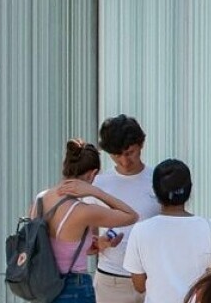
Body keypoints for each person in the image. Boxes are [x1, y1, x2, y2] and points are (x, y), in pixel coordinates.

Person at [34, 139, 139, 303]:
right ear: (92, 174)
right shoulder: (81, 210)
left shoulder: (40, 199)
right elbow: (131, 216)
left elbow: (59, 246)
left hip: (42, 286)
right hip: (72, 287)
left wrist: (100, 244)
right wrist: (96, 192)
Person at [123, 159, 211, 303]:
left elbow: (139, 285)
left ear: (155, 191)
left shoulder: (141, 230)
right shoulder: (210, 227)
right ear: (190, 189)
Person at [93, 115, 163, 303]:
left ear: (141, 144)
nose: (124, 161)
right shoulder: (99, 184)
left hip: (153, 277)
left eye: (129, 152)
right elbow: (83, 241)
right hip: (112, 279)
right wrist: (99, 243)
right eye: (116, 155)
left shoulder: (158, 180)